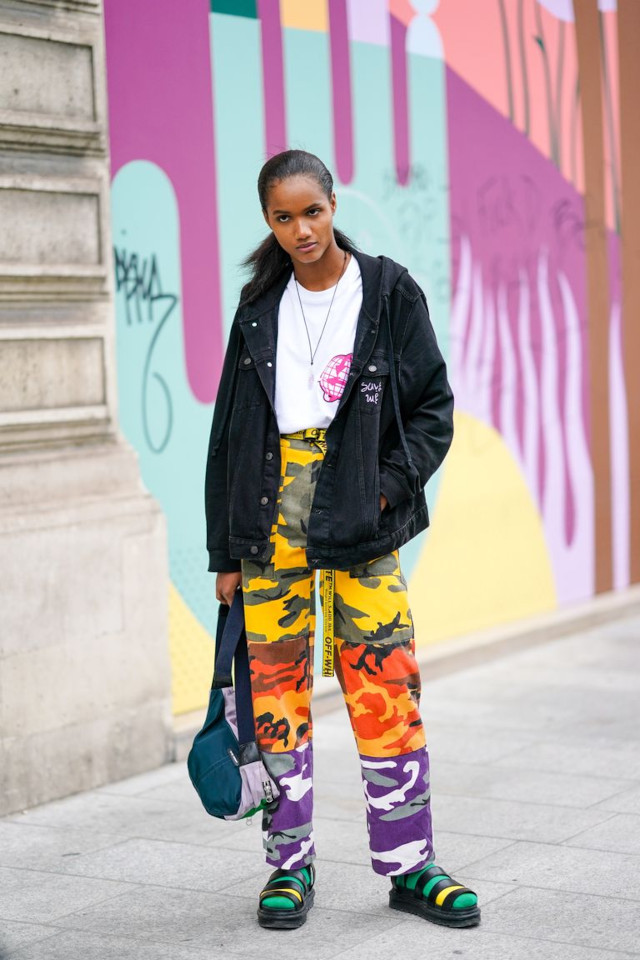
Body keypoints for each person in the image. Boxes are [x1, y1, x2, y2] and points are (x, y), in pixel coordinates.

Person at [205, 149, 480, 931]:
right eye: (284, 217)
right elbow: (228, 435)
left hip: (361, 517)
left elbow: (432, 408)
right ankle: (288, 868)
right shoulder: (259, 307)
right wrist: (224, 554)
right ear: (270, 222)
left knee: (386, 686)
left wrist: (387, 487)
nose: (302, 229)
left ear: (333, 204)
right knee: (277, 704)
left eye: (312, 211)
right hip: (267, 522)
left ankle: (410, 866)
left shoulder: (387, 292)